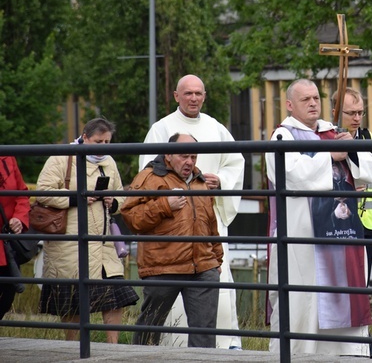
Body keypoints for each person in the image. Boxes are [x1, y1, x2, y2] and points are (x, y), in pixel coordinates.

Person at [265, 79, 372, 356]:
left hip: (342, 237)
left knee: (345, 310)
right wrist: (329, 155)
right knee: (305, 304)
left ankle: (350, 357)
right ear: (290, 105)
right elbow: (290, 175)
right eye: (306, 100)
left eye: (316, 97)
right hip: (304, 240)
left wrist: (350, 147)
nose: (314, 103)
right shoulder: (283, 137)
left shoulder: (334, 132)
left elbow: (367, 172)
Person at [139, 74, 244, 349]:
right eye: (188, 93)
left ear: (204, 96)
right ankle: (163, 347)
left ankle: (220, 346)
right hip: (172, 226)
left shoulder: (216, 128)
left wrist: (220, 180)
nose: (194, 98)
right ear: (176, 96)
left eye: (198, 93)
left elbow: (235, 162)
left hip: (208, 221)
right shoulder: (161, 129)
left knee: (215, 292)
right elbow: (147, 173)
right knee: (165, 301)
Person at [35, 118, 139, 343]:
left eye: (107, 142)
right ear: (84, 137)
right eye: (98, 141)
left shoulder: (109, 161)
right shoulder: (63, 158)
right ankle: (75, 346)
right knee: (74, 298)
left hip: (103, 241)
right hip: (70, 243)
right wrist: (78, 198)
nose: (102, 147)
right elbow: (43, 192)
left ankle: (114, 348)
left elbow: (120, 194)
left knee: (116, 296)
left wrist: (113, 201)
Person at [122, 133, 224, 348]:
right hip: (162, 266)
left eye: (194, 157)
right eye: (184, 156)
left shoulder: (200, 182)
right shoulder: (149, 177)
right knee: (150, 327)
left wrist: (216, 260)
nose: (189, 162)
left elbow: (210, 223)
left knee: (204, 333)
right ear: (168, 154)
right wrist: (164, 205)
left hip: (203, 267)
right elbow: (131, 218)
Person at [332, 87, 372, 282]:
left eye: (360, 112)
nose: (357, 118)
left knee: (362, 283)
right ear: (336, 112)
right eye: (351, 113)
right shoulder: (328, 139)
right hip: (340, 223)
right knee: (341, 282)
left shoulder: (368, 138)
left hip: (368, 224)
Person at [0, 156, 32, 319]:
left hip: (5, 242)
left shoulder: (8, 159)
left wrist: (19, 218)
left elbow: (21, 194)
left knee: (7, 294)